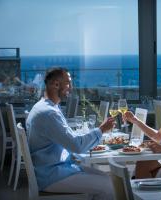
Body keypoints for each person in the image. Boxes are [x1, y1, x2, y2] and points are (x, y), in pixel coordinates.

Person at [26, 67, 115, 200]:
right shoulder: (49, 113)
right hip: (52, 175)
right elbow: (76, 146)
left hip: (52, 169)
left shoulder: (44, 107)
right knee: (109, 186)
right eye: (68, 83)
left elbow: (69, 141)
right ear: (56, 84)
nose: (71, 87)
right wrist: (101, 130)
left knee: (106, 177)